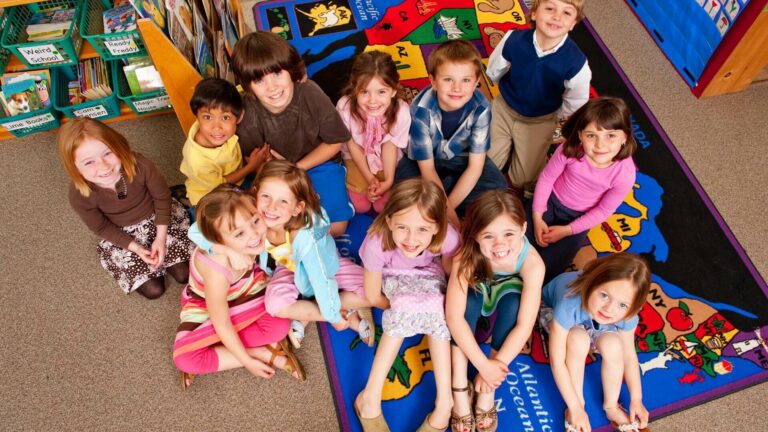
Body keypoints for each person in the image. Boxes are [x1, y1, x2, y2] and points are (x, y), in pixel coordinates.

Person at [189, 160, 373, 349]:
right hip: (288, 267)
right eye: (266, 196)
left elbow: (321, 281)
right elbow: (194, 231)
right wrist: (225, 249)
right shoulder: (253, 213)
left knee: (372, 290)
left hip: (324, 266)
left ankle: (324, 312)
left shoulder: (304, 237)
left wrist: (333, 316)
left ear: (297, 208)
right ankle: (322, 311)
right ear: (255, 194)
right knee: (274, 304)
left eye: (283, 201)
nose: (272, 207)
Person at [173, 184, 305, 389]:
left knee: (279, 327)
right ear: (219, 241)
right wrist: (246, 360)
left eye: (255, 221)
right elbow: (221, 322)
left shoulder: (248, 231)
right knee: (185, 359)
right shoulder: (217, 268)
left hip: (247, 290)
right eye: (239, 234)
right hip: (207, 306)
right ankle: (261, 352)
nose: (254, 234)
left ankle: (216, 347)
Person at [354, 179, 459, 432]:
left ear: (436, 227)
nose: (411, 239)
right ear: (389, 220)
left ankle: (445, 403)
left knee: (439, 307)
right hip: (393, 276)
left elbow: (450, 273)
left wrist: (435, 303)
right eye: (402, 227)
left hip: (429, 273)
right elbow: (373, 296)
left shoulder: (448, 238)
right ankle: (369, 397)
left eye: (422, 229)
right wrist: (402, 309)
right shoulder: (377, 243)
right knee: (403, 307)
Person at [232, 31, 353, 237]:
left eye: (277, 74)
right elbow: (254, 163)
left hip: (317, 163)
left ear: (291, 71)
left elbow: (335, 142)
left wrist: (297, 168)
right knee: (263, 226)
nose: (272, 87)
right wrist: (278, 175)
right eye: (259, 81)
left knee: (337, 227)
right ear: (248, 86)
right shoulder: (247, 113)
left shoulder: (310, 92)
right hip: (274, 173)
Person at [56, 118, 192, 299]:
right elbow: (101, 227)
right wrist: (137, 248)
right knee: (154, 291)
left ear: (119, 147)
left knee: (184, 275)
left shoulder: (141, 165)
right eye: (89, 162)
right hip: (122, 234)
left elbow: (162, 198)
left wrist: (160, 239)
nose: (103, 166)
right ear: (75, 168)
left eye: (108, 153)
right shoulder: (78, 194)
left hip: (158, 218)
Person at [446, 190, 545, 432]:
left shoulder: (533, 264)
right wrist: (482, 365)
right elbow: (454, 317)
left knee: (514, 305)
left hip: (507, 292)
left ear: (523, 229)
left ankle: (487, 391)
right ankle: (459, 387)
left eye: (509, 234)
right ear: (475, 235)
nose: (500, 244)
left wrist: (493, 369)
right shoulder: (466, 256)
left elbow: (524, 325)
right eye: (488, 236)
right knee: (468, 303)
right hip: (477, 287)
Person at [394, 40, 507, 227]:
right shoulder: (420, 109)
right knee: (404, 188)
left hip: (463, 159)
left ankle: (437, 202)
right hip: (423, 162)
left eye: (466, 80)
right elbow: (427, 169)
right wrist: (449, 214)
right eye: (448, 79)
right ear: (433, 81)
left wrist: (447, 211)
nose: (457, 88)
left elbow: (475, 167)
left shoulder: (482, 108)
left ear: (476, 82)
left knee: (498, 188)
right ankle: (444, 198)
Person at [527, 97, 637, 282]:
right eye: (591, 135)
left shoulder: (625, 174)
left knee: (548, 268)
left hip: (579, 218)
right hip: (550, 201)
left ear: (624, 137)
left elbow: (603, 211)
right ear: (580, 135)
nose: (600, 145)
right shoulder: (570, 149)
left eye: (610, 136)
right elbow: (547, 179)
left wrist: (567, 230)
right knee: (518, 240)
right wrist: (537, 216)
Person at [486, 0, 591, 192]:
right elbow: (494, 70)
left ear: (573, 24)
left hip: (539, 119)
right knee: (487, 163)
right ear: (534, 13)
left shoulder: (577, 63)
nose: (557, 17)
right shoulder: (513, 39)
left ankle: (531, 152)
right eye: (550, 8)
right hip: (504, 108)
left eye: (566, 13)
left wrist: (555, 115)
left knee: (523, 180)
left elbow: (576, 101)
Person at [542, 253, 651, 432]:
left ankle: (611, 407)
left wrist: (636, 399)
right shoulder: (568, 304)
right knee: (578, 340)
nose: (609, 309)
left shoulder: (625, 314)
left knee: (614, 345)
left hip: (593, 319)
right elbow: (557, 361)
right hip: (553, 310)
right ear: (592, 283)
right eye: (604, 295)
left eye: (622, 305)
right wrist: (575, 407)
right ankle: (577, 405)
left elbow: (629, 356)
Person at [179, 78, 269, 218]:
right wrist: (252, 166)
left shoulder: (223, 122)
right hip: (211, 196)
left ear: (239, 117)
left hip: (238, 180)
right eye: (207, 117)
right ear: (196, 116)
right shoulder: (196, 159)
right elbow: (220, 185)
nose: (216, 127)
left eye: (225, 118)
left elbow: (240, 90)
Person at [336, 50, 411, 214]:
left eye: (381, 92)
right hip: (357, 157)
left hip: (386, 158)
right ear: (355, 89)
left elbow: (389, 146)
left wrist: (389, 180)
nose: (372, 101)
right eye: (364, 92)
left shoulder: (401, 112)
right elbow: (352, 146)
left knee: (383, 205)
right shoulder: (344, 107)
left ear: (393, 91)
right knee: (360, 205)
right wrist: (370, 178)